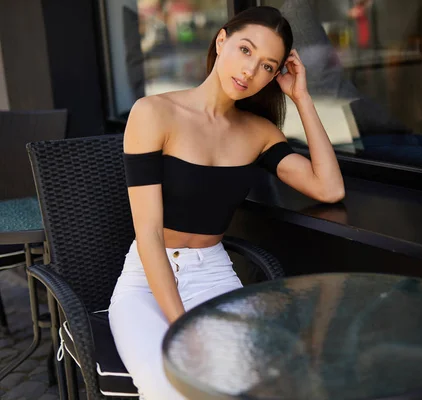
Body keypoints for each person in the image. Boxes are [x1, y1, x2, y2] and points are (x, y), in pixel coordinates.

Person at [108, 6, 345, 399]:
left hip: (214, 277)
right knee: (168, 385)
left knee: (248, 383)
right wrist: (183, 327)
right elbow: (148, 233)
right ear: (222, 41)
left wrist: (302, 98)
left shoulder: (259, 133)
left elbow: (329, 188)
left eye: (268, 66)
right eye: (246, 50)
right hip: (147, 283)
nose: (251, 71)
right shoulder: (153, 113)